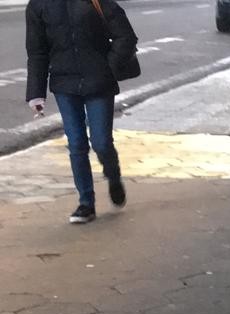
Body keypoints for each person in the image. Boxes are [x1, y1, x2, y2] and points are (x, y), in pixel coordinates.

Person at [25, 0, 137, 225]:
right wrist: (36, 94)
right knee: (76, 143)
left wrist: (109, 66)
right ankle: (86, 203)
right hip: (64, 84)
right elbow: (37, 52)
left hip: (99, 81)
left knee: (101, 142)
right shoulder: (38, 5)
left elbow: (126, 36)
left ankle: (113, 175)